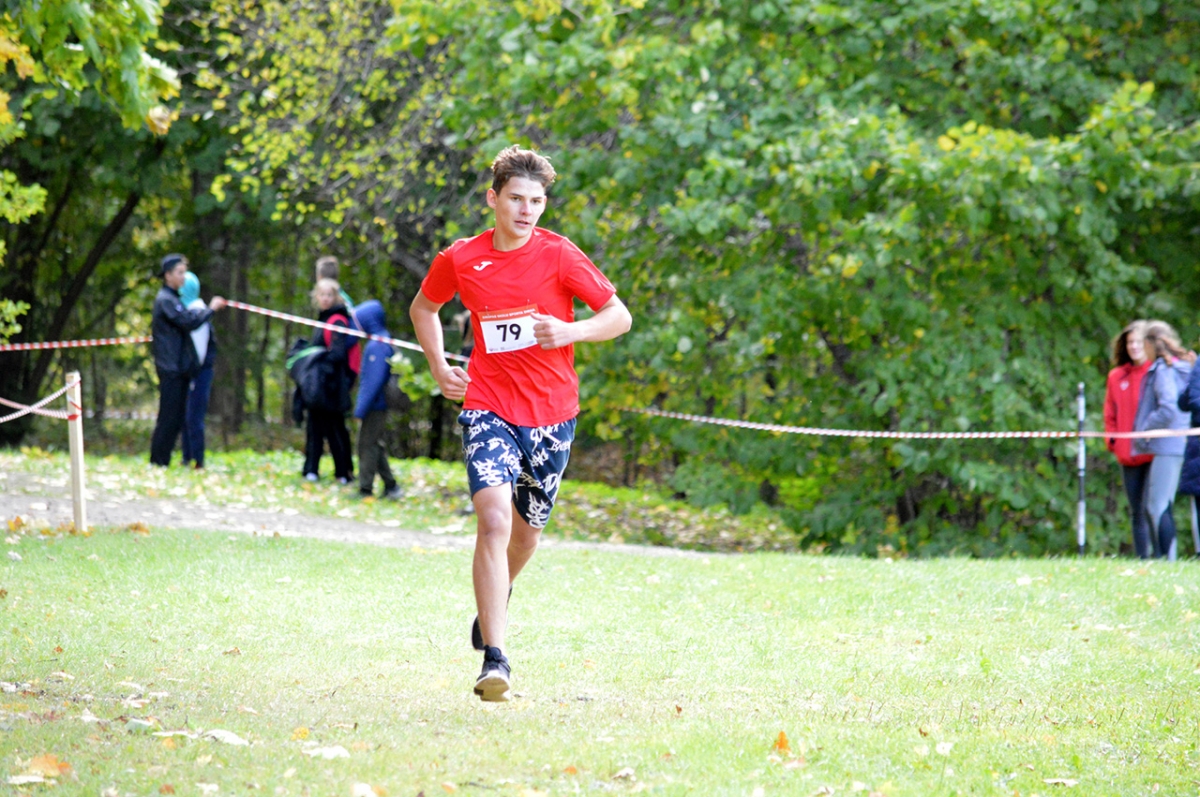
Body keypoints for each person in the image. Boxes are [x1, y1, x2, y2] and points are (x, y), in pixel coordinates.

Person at [410, 145, 632, 702]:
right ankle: (496, 659)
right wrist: (439, 367)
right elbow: (423, 308)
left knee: (526, 534)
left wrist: (572, 331)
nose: (526, 210)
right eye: (516, 199)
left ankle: (498, 592)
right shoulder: (462, 258)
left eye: (536, 201)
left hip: (552, 414)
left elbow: (619, 316)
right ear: (493, 199)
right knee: (493, 521)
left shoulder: (560, 255)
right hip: (487, 404)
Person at [149, 254, 225, 467]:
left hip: (180, 369)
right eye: (180, 272)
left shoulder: (173, 300)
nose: (183, 276)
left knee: (176, 418)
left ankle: (163, 461)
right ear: (168, 275)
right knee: (168, 417)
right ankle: (158, 461)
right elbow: (188, 321)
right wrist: (211, 309)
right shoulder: (165, 300)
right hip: (170, 368)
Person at [1132, 320, 1193, 560]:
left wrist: (1146, 428)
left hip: (1168, 445)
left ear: (1150, 344)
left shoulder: (1163, 370)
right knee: (1163, 504)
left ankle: (1168, 560)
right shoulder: (1183, 367)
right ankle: (1168, 558)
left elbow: (1168, 408)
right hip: (1182, 443)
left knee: (1157, 505)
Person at [1104, 320, 1153, 557]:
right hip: (1128, 454)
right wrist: (1113, 441)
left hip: (1153, 453)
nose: (1134, 346)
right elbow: (1109, 413)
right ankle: (1143, 558)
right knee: (1136, 511)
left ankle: (1163, 557)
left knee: (1153, 507)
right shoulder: (1116, 376)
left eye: (1138, 342)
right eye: (1130, 342)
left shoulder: (1156, 372)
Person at [301, 278, 355, 484]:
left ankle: (342, 472)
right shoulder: (322, 319)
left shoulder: (338, 320)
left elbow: (337, 353)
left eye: (329, 295)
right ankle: (311, 469)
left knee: (334, 429)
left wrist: (320, 366)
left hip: (332, 386)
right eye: (322, 295)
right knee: (314, 427)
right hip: (319, 385)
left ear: (336, 297)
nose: (325, 298)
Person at [352, 300, 403, 500]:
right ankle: (391, 486)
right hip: (377, 404)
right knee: (374, 443)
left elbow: (372, 382)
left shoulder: (377, 346)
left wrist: (360, 409)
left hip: (375, 405)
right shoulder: (381, 341)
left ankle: (365, 489)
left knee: (366, 445)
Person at [179, 272, 216, 469]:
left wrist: (193, 374)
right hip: (192, 372)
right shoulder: (188, 311)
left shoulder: (197, 311)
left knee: (194, 417)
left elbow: (199, 351)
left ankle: (197, 459)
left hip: (199, 372)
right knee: (185, 416)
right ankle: (187, 457)